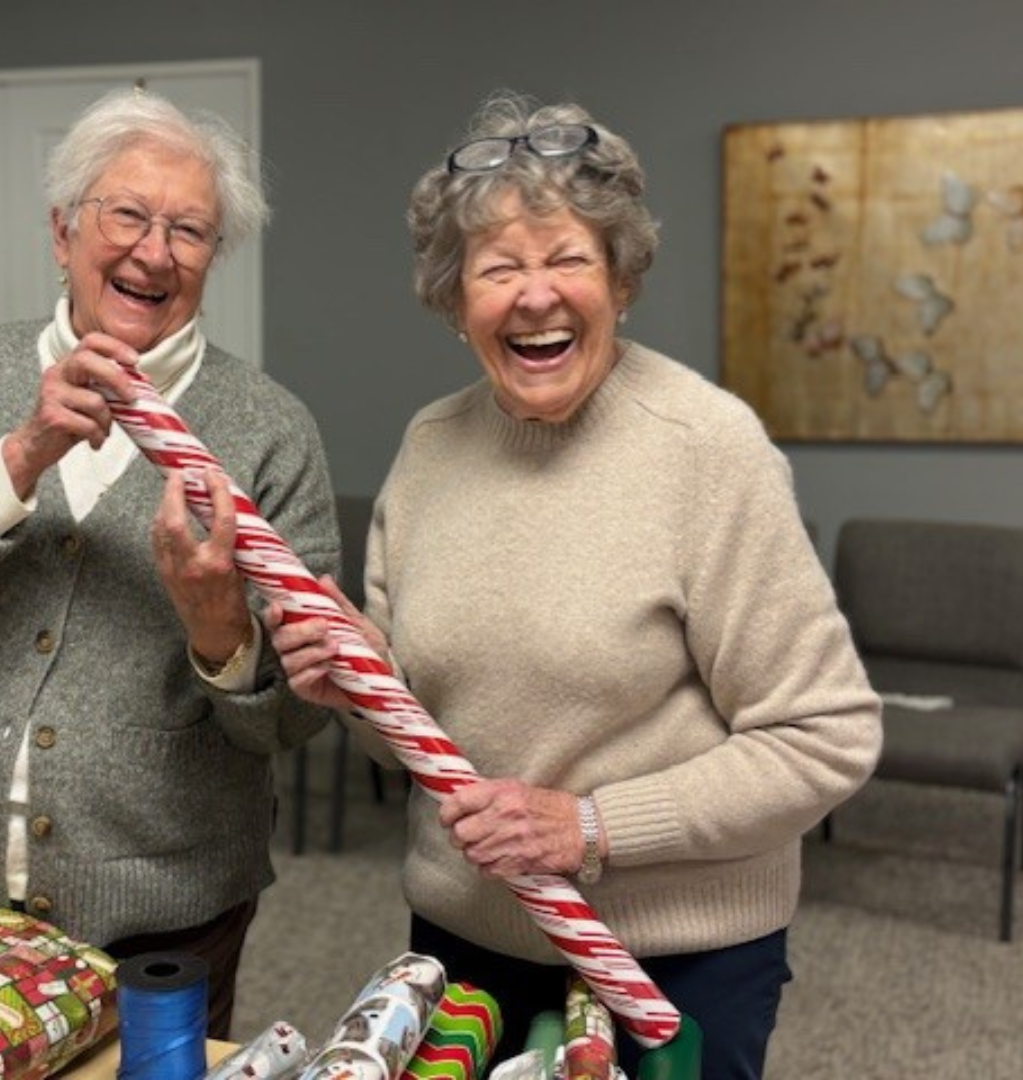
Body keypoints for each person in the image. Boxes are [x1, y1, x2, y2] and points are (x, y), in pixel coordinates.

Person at [262, 92, 882, 1080]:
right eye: (498, 267)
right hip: (464, 947)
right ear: (456, 301)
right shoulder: (430, 449)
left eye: (567, 259)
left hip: (672, 962)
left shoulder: (708, 448)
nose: (534, 294)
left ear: (621, 282)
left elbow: (826, 736)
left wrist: (589, 828)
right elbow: (415, 738)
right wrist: (358, 685)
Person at [0, 86, 340, 1038]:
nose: (154, 251)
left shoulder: (270, 431)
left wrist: (221, 627)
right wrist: (16, 459)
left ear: (212, 260)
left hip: (165, 905)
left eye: (189, 230)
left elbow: (298, 721)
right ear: (63, 234)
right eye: (127, 215)